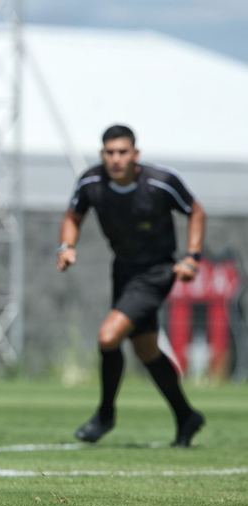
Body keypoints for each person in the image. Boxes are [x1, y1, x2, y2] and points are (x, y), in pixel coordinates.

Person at [57, 124, 206, 447]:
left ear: (135, 154)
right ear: (102, 154)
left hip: (157, 272)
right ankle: (186, 416)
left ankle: (105, 415)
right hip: (123, 270)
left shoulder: (160, 182)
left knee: (108, 337)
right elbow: (73, 216)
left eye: (122, 152)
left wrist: (192, 257)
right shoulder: (91, 182)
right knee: (146, 349)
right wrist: (66, 246)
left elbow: (196, 212)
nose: (116, 159)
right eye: (110, 152)